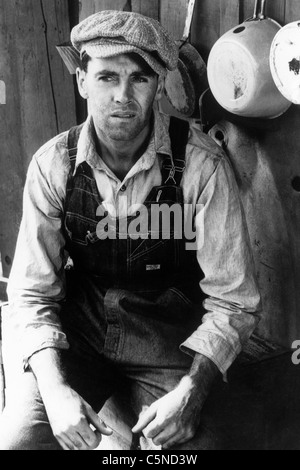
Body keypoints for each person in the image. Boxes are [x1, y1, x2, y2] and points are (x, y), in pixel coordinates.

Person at [0, 10, 261, 451]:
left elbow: (233, 300)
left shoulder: (202, 167)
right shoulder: (53, 165)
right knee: (22, 441)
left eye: (139, 78)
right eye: (106, 77)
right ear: (82, 81)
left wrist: (193, 391)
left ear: (158, 84)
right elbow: (31, 294)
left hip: (169, 334)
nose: (123, 95)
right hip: (80, 332)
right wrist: (56, 390)